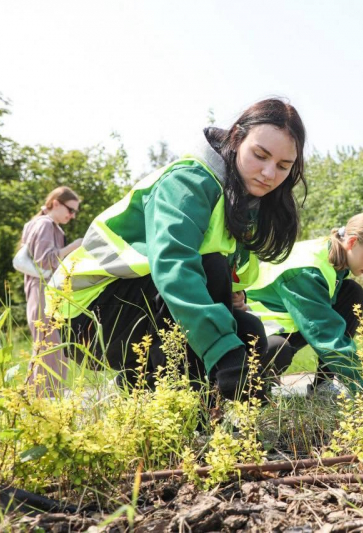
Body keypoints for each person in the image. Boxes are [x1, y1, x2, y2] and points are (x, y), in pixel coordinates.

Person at [46, 99, 306, 400]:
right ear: (236, 138)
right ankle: (189, 414)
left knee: (247, 329)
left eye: (283, 166)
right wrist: (225, 354)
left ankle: (145, 390)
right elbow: (175, 267)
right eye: (260, 155)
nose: (269, 173)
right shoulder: (189, 181)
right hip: (85, 314)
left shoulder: (242, 200)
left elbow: (228, 276)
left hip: (132, 305)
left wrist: (234, 300)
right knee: (210, 280)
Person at [244, 212, 363, 395]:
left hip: (290, 326)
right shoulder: (307, 271)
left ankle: (323, 388)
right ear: (352, 242)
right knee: (277, 350)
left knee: (352, 292)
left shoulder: (335, 257)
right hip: (255, 336)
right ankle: (246, 400)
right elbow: (327, 336)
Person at [21, 186, 83, 394]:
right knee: (53, 348)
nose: (72, 216)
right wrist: (73, 247)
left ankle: (32, 402)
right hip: (43, 292)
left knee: (45, 346)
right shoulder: (46, 224)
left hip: (40, 291)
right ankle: (47, 403)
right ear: (55, 203)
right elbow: (45, 261)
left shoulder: (40, 224)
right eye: (70, 210)